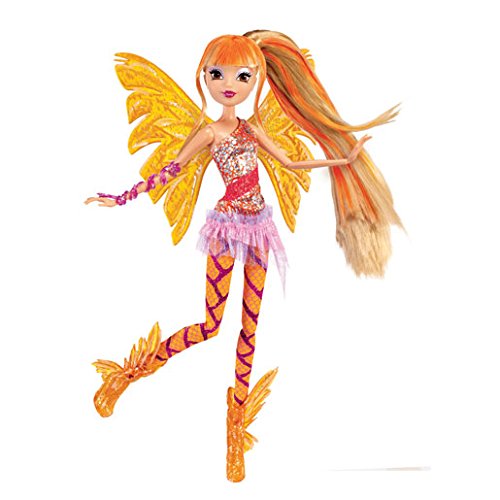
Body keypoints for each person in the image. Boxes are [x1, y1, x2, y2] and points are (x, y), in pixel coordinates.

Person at [85, 30, 401, 482]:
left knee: (249, 331)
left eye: (241, 76)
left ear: (256, 79)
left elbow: (290, 164)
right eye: (218, 75)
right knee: (211, 324)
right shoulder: (209, 131)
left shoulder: (253, 130)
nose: (229, 84)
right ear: (204, 77)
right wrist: (123, 196)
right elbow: (172, 169)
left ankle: (235, 433)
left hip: (258, 233)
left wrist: (343, 159)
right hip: (226, 229)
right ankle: (127, 375)